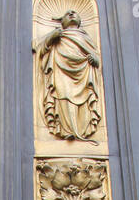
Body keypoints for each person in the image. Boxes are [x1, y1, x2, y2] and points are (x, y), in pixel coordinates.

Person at [34, 9, 101, 141]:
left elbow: (96, 57)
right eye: (67, 14)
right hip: (61, 71)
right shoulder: (57, 35)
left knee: (83, 102)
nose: (71, 14)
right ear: (62, 21)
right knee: (62, 97)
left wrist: (95, 59)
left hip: (83, 75)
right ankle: (65, 130)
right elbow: (38, 47)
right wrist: (51, 37)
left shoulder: (86, 38)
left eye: (75, 13)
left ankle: (81, 130)